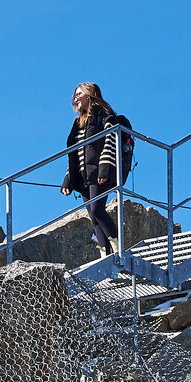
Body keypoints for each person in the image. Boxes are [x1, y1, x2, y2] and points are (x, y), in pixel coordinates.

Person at [61, 82, 128, 257]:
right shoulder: (78, 122)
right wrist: (68, 179)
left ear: (90, 95)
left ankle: (117, 245)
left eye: (79, 94)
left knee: (98, 209)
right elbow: (74, 153)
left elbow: (110, 141)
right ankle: (105, 252)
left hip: (99, 172)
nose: (76, 98)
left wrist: (104, 169)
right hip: (84, 175)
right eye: (75, 95)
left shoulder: (104, 115)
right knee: (93, 214)